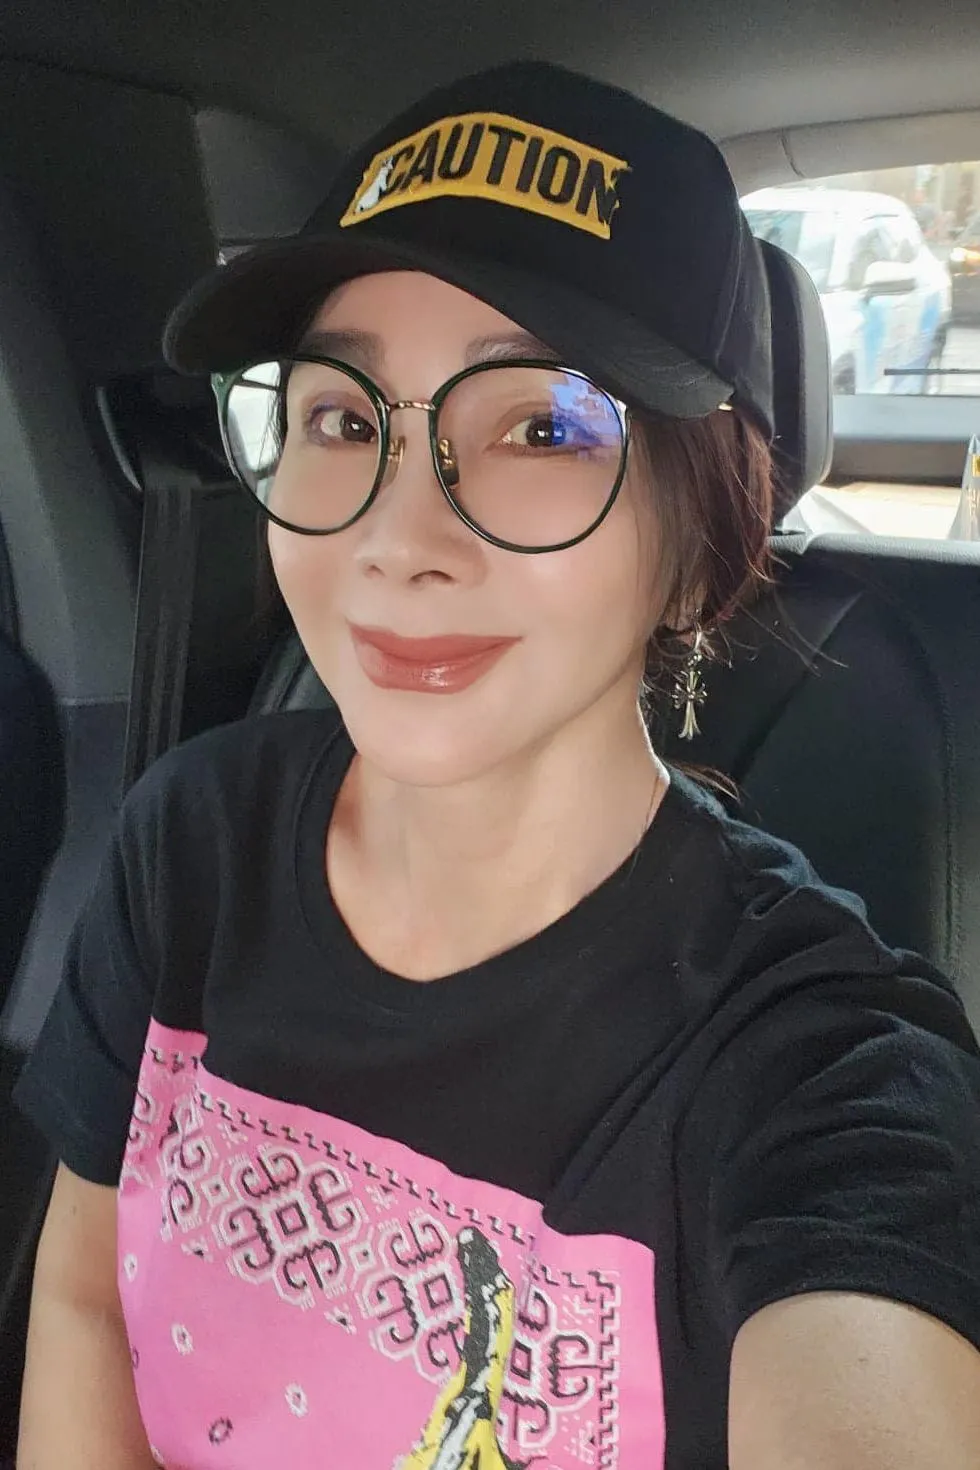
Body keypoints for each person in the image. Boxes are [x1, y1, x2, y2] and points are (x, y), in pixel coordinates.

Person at [13, 61, 980, 1470]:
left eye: (543, 427)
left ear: (698, 546)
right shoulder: (192, 840)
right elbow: (87, 1300)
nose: (399, 538)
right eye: (347, 418)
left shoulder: (814, 1066)